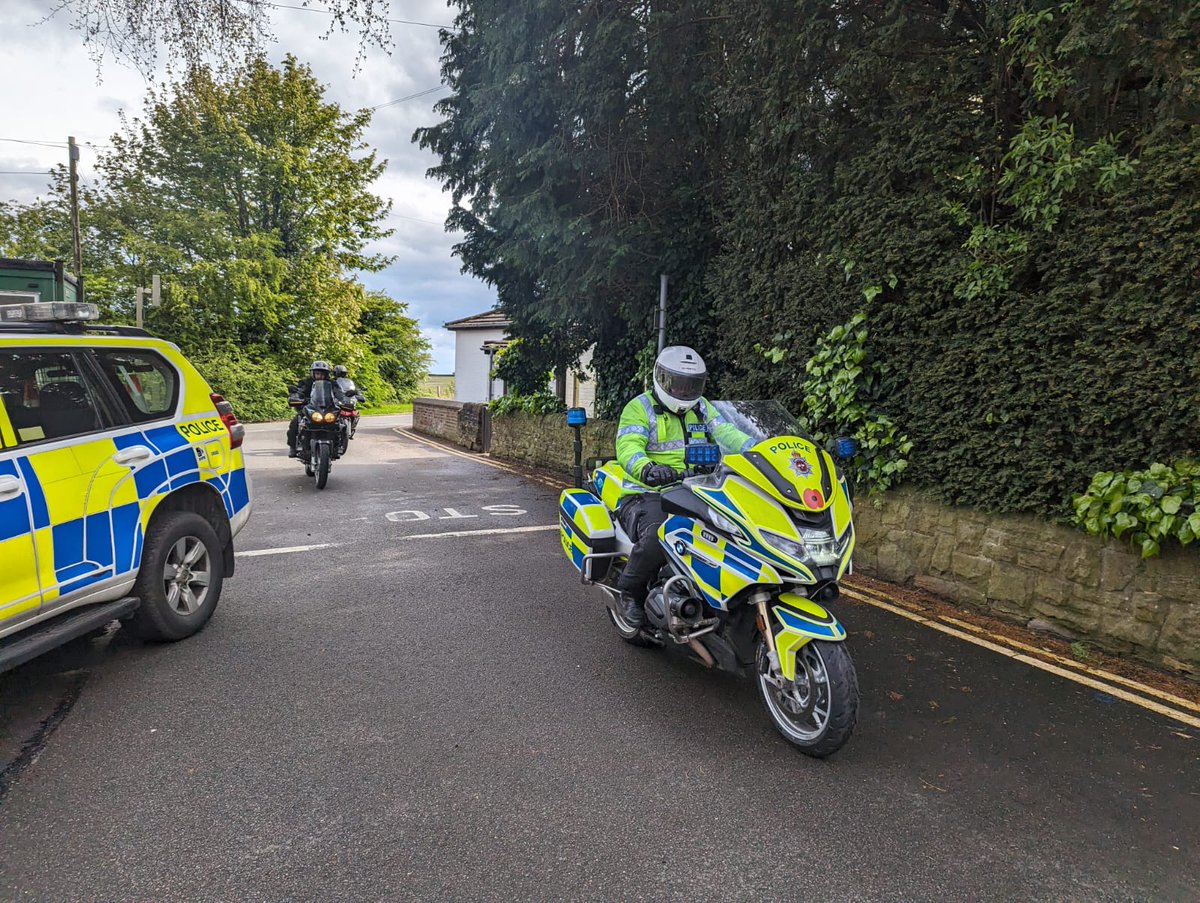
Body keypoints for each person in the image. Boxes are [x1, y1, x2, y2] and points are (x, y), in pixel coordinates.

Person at [613, 345, 752, 628]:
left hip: (698, 489)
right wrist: (647, 468)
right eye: (678, 383)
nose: (685, 391)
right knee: (657, 537)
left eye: (691, 385)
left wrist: (758, 450)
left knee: (734, 533)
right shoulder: (639, 408)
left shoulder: (702, 407)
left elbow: (726, 432)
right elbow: (628, 446)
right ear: (662, 380)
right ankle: (629, 591)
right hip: (647, 492)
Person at [286, 360, 340, 457]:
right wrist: (296, 397)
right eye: (317, 373)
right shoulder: (306, 382)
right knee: (295, 423)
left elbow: (339, 393)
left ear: (326, 374)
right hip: (310, 408)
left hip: (327, 409)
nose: (319, 376)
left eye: (322, 373)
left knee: (339, 424)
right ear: (313, 373)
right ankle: (293, 447)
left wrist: (342, 400)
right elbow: (299, 391)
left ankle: (337, 446)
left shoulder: (332, 383)